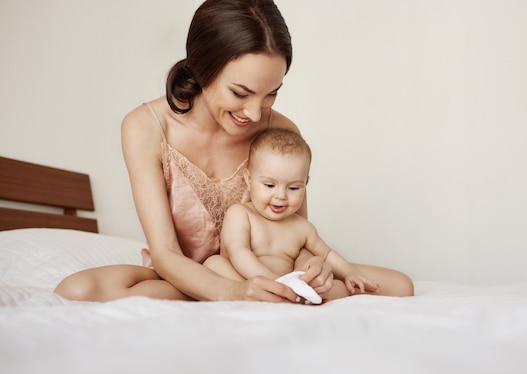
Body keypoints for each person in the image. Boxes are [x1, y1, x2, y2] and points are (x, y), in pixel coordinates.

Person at [54, 0, 413, 303]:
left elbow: (296, 230)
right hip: (184, 277)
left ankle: (285, 293)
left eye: (271, 93)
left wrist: (312, 268)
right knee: (78, 288)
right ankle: (227, 295)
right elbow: (165, 254)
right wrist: (236, 291)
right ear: (203, 67)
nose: (256, 113)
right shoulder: (146, 127)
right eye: (241, 93)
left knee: (399, 284)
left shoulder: (282, 131)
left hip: (273, 271)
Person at [205, 127, 383, 301]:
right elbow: (238, 250)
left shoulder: (302, 227)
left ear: (306, 184)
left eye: (293, 188)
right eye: (269, 185)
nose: (281, 196)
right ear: (249, 179)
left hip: (289, 283)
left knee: (340, 288)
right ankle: (275, 296)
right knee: (213, 264)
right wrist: (271, 280)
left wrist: (349, 272)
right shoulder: (241, 214)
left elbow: (327, 253)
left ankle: (291, 298)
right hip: (247, 280)